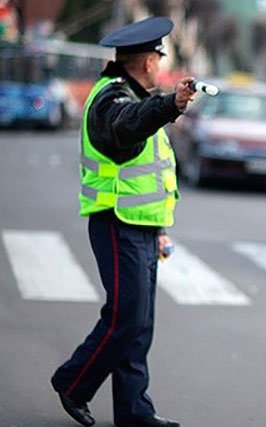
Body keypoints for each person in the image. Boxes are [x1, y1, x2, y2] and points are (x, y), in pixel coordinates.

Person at [50, 16, 195, 427]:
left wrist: (160, 231)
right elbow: (126, 126)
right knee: (125, 318)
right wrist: (170, 104)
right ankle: (72, 382)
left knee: (139, 323)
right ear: (148, 61)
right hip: (117, 223)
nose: (159, 64)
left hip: (141, 225)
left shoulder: (132, 95)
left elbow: (150, 170)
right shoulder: (111, 99)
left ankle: (134, 412)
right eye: (157, 58)